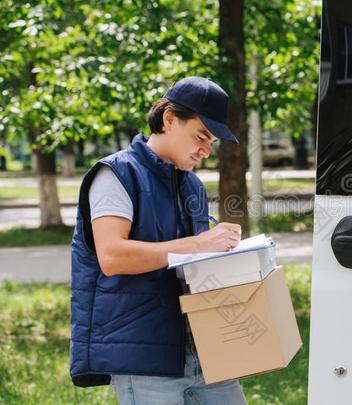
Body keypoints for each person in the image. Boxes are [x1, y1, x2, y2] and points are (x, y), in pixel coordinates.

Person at [69, 76, 248, 404]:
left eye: (211, 143)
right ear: (169, 119)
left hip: (203, 349)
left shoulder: (191, 185)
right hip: (145, 357)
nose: (205, 150)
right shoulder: (116, 174)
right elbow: (112, 256)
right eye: (201, 137)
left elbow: (187, 263)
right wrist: (198, 244)